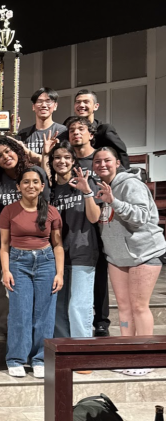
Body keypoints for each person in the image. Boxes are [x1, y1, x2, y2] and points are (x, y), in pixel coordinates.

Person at [93, 147, 165, 376]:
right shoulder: (101, 187)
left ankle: (145, 358)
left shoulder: (130, 184)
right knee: (123, 309)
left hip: (143, 252)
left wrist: (114, 201)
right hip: (117, 256)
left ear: (117, 163)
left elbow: (143, 217)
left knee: (138, 307)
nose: (102, 165)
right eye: (97, 161)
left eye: (107, 161)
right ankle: (127, 352)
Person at [0, 138, 50, 342]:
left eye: (8, 151)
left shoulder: (34, 172)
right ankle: (0, 326)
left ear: (18, 151)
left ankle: (31, 330)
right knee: (1, 285)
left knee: (29, 290)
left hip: (31, 242)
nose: (5, 157)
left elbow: (46, 205)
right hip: (1, 240)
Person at [0, 167, 64, 379]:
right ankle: (16, 359)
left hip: (46, 262)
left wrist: (59, 273)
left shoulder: (52, 211)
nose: (31, 186)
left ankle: (40, 359)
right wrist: (5, 270)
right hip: (18, 262)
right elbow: (4, 244)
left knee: (44, 314)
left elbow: (58, 245)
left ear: (42, 186)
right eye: (26, 182)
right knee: (20, 312)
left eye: (36, 182)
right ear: (18, 187)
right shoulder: (9, 211)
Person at [46, 142, 101, 341]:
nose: (62, 161)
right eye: (57, 157)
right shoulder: (50, 191)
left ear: (73, 160)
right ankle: (63, 352)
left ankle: (82, 350)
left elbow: (95, 217)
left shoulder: (86, 182)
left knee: (79, 305)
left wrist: (86, 192)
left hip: (82, 252)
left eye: (67, 158)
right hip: (56, 256)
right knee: (58, 307)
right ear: (51, 162)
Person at [63, 116, 110, 337]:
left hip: (98, 232)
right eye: (71, 130)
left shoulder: (99, 160)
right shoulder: (65, 166)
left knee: (95, 283)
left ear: (91, 134)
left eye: (80, 129)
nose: (76, 133)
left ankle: (100, 322)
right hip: (70, 239)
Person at [58, 90, 130, 168]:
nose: (81, 105)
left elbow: (121, 154)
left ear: (96, 106)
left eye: (86, 102)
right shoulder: (67, 125)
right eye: (78, 102)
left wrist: (124, 176)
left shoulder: (104, 130)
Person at [17, 87, 66, 163]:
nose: (43, 105)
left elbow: (60, 162)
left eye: (48, 101)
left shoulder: (63, 131)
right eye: (39, 101)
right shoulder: (23, 133)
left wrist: (26, 151)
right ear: (33, 106)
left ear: (55, 106)